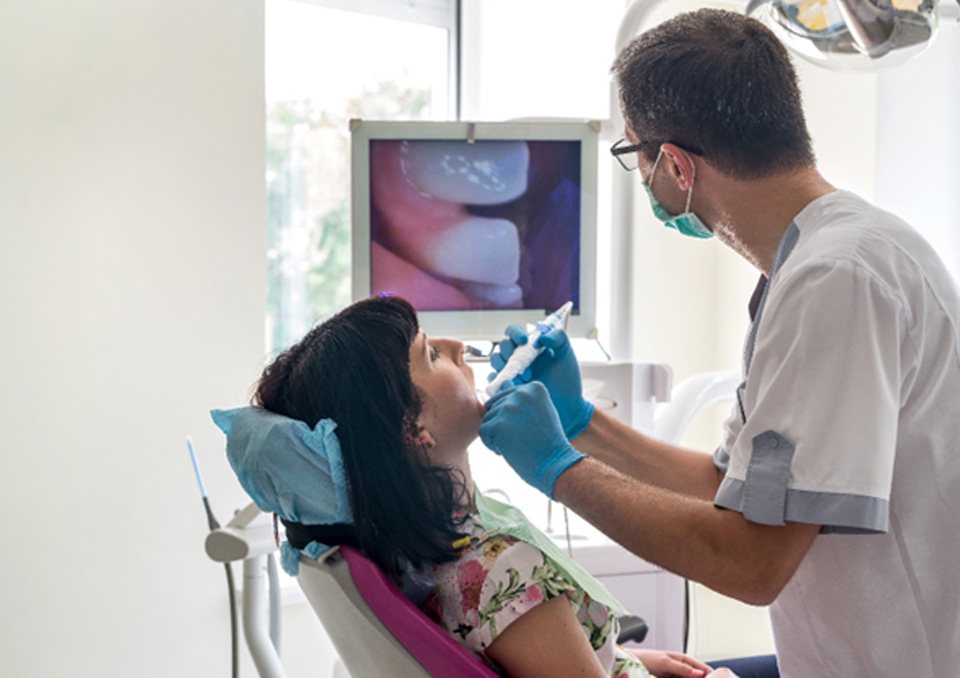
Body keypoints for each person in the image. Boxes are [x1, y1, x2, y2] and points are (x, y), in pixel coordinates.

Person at [479, 9, 960, 678]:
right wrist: (582, 424)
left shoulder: (838, 279)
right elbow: (725, 486)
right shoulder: (816, 264)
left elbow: (752, 562)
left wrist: (560, 470)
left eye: (635, 156)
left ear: (675, 164)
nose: (643, 178)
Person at [214, 296, 733, 678]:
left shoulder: (420, 560)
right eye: (430, 355)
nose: (457, 346)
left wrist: (622, 659)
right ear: (411, 430)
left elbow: (519, 655)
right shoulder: (499, 569)